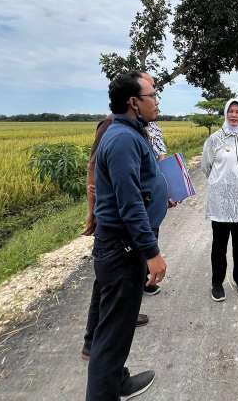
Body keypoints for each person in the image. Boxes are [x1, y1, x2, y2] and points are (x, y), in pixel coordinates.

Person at [85, 71, 168, 401]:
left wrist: (160, 192)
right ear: (134, 102)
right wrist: (152, 252)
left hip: (123, 246)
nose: (157, 101)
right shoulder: (121, 139)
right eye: (152, 96)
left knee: (116, 330)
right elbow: (128, 202)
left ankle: (116, 380)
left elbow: (138, 186)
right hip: (122, 249)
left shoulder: (130, 133)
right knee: (112, 334)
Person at [201, 98, 238, 301]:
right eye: (231, 111)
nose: (234, 115)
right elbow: (206, 167)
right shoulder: (215, 139)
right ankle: (217, 282)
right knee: (219, 245)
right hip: (222, 202)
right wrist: (222, 185)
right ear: (225, 113)